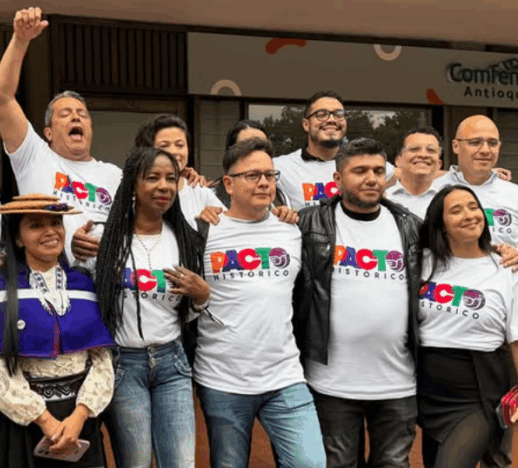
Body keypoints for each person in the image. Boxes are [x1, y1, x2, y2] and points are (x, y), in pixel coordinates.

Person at [194, 137, 326, 468]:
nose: (264, 182)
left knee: (310, 463)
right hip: (223, 380)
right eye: (252, 175)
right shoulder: (204, 231)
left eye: (270, 174)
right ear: (228, 184)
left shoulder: (292, 229)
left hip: (285, 376)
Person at [294, 138, 421, 468]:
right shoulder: (307, 224)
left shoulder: (411, 227)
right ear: (338, 179)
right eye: (360, 171)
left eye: (378, 171)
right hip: (331, 382)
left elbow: (460, 254)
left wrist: (501, 251)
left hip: (398, 381)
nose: (371, 178)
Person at [0, 194, 115, 468]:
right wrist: (45, 421)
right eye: (36, 225)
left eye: (56, 223)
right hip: (23, 424)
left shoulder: (83, 286)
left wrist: (79, 416)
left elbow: (102, 361)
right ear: (18, 238)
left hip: (78, 423)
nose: (50, 231)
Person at [94, 147, 209, 468]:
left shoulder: (185, 239)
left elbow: (186, 312)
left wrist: (201, 297)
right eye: (153, 178)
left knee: (181, 462)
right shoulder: (106, 239)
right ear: (133, 184)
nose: (164, 186)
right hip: (124, 366)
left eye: (171, 179)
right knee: (137, 462)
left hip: (173, 364)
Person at [0, 7, 121, 263]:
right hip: (46, 274)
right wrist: (21, 40)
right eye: (66, 114)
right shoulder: (34, 156)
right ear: (47, 132)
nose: (76, 118)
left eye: (82, 114)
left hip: (102, 283)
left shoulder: (115, 176)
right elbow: (1, 98)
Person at [417, 185, 518, 468]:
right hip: (427, 391)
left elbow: (516, 339)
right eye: (456, 210)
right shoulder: (423, 262)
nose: (470, 215)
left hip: (480, 391)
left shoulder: (507, 269)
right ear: (440, 224)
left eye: (474, 207)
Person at [273, 91, 392, 210]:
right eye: (321, 114)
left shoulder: (373, 166)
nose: (331, 120)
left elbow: (397, 176)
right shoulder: (281, 167)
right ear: (306, 124)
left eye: (339, 114)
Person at [433, 115, 518, 248]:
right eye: (475, 142)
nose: (485, 150)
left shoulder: (514, 194)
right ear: (456, 146)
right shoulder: (432, 191)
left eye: (493, 143)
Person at [134, 114, 225, 223]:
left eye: (180, 145)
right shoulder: (135, 192)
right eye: (164, 146)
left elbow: (229, 225)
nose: (174, 152)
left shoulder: (200, 191)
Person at [386, 127, 443, 218]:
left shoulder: (447, 201)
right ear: (398, 161)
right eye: (414, 149)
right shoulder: (383, 200)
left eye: (431, 150)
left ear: (439, 164)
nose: (423, 155)